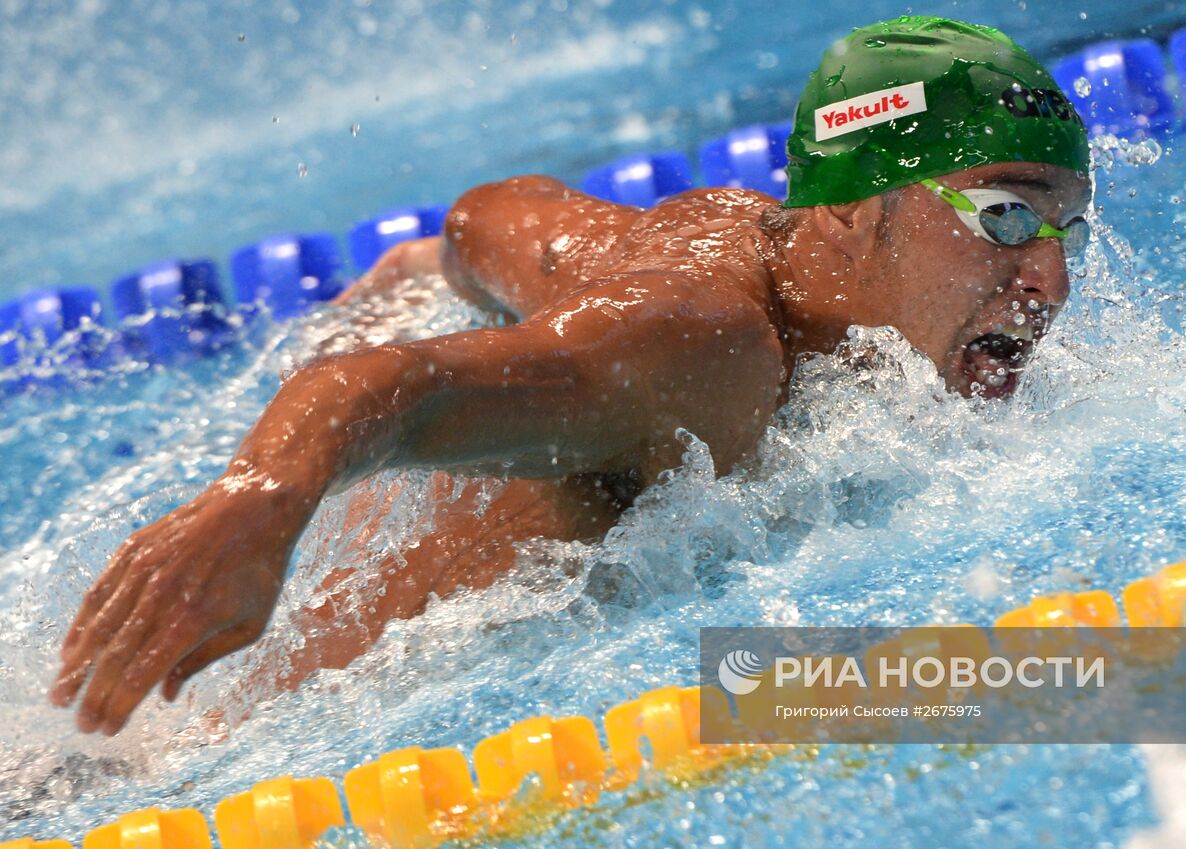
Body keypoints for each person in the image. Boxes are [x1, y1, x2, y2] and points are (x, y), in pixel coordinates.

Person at [50, 16, 1092, 735]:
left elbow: (488, 216)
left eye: (1064, 228)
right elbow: (370, 389)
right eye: (1003, 216)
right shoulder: (698, 342)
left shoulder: (719, 233)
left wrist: (431, 265)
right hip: (220, 733)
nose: (1045, 275)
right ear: (856, 210)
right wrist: (265, 498)